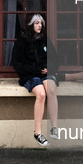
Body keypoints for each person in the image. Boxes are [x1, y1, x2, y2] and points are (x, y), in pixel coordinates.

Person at [11, 14, 59, 146]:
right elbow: (17, 64)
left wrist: (49, 68)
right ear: (30, 24)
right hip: (30, 75)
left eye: (41, 23)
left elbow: (55, 60)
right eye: (37, 23)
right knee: (41, 94)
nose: (39, 26)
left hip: (45, 73)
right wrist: (35, 70)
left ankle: (54, 127)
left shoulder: (45, 40)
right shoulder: (22, 41)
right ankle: (38, 133)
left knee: (51, 90)